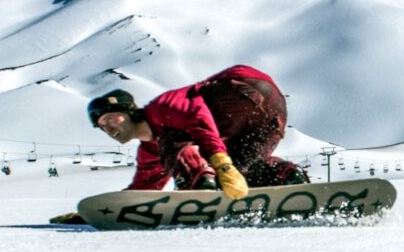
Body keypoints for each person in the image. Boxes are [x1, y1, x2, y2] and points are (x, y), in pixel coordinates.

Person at [87, 65, 309, 200]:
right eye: (101, 126)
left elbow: (199, 119)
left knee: (174, 138)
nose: (107, 127)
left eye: (109, 118)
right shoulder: (150, 152)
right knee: (242, 170)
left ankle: (199, 184)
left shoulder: (161, 107)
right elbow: (144, 189)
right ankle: (284, 176)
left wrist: (221, 164)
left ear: (129, 111)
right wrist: (98, 212)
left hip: (239, 88)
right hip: (272, 113)